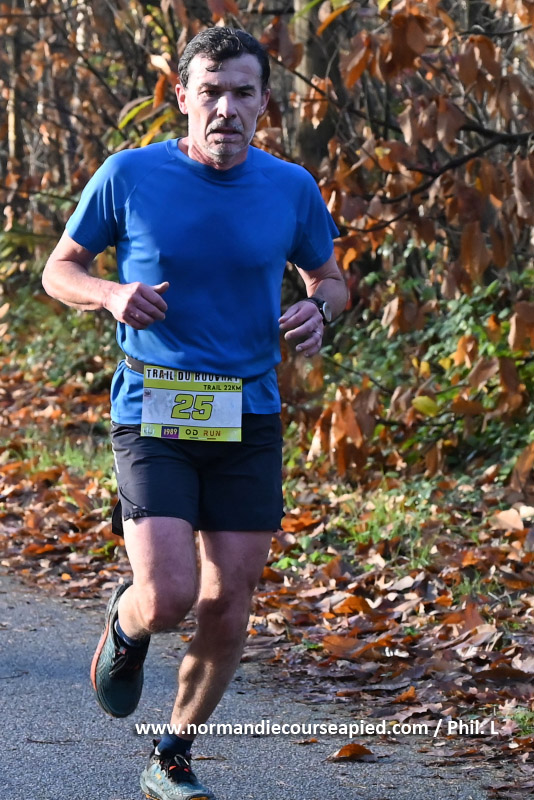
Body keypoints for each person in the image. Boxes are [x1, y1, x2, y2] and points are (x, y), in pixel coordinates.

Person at [42, 26, 347, 800]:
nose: (225, 109)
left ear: (264, 102)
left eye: (243, 93)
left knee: (230, 600)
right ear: (182, 97)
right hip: (155, 408)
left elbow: (331, 278)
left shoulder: (291, 187)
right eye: (210, 91)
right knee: (169, 595)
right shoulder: (129, 175)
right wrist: (110, 293)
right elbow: (59, 270)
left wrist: (320, 310)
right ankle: (127, 622)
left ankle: (172, 755)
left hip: (249, 413)